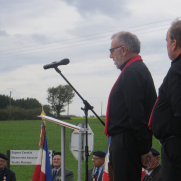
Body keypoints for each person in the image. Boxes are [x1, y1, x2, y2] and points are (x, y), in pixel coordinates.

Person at [104, 31, 157, 181]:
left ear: (124, 50)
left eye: (112, 51)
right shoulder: (135, 69)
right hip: (127, 141)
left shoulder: (132, 72)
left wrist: (144, 148)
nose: (110, 56)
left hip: (127, 142)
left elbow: (136, 114)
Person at [151, 19, 181, 181]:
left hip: (176, 148)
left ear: (174, 43)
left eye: (167, 41)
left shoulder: (177, 70)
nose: (167, 45)